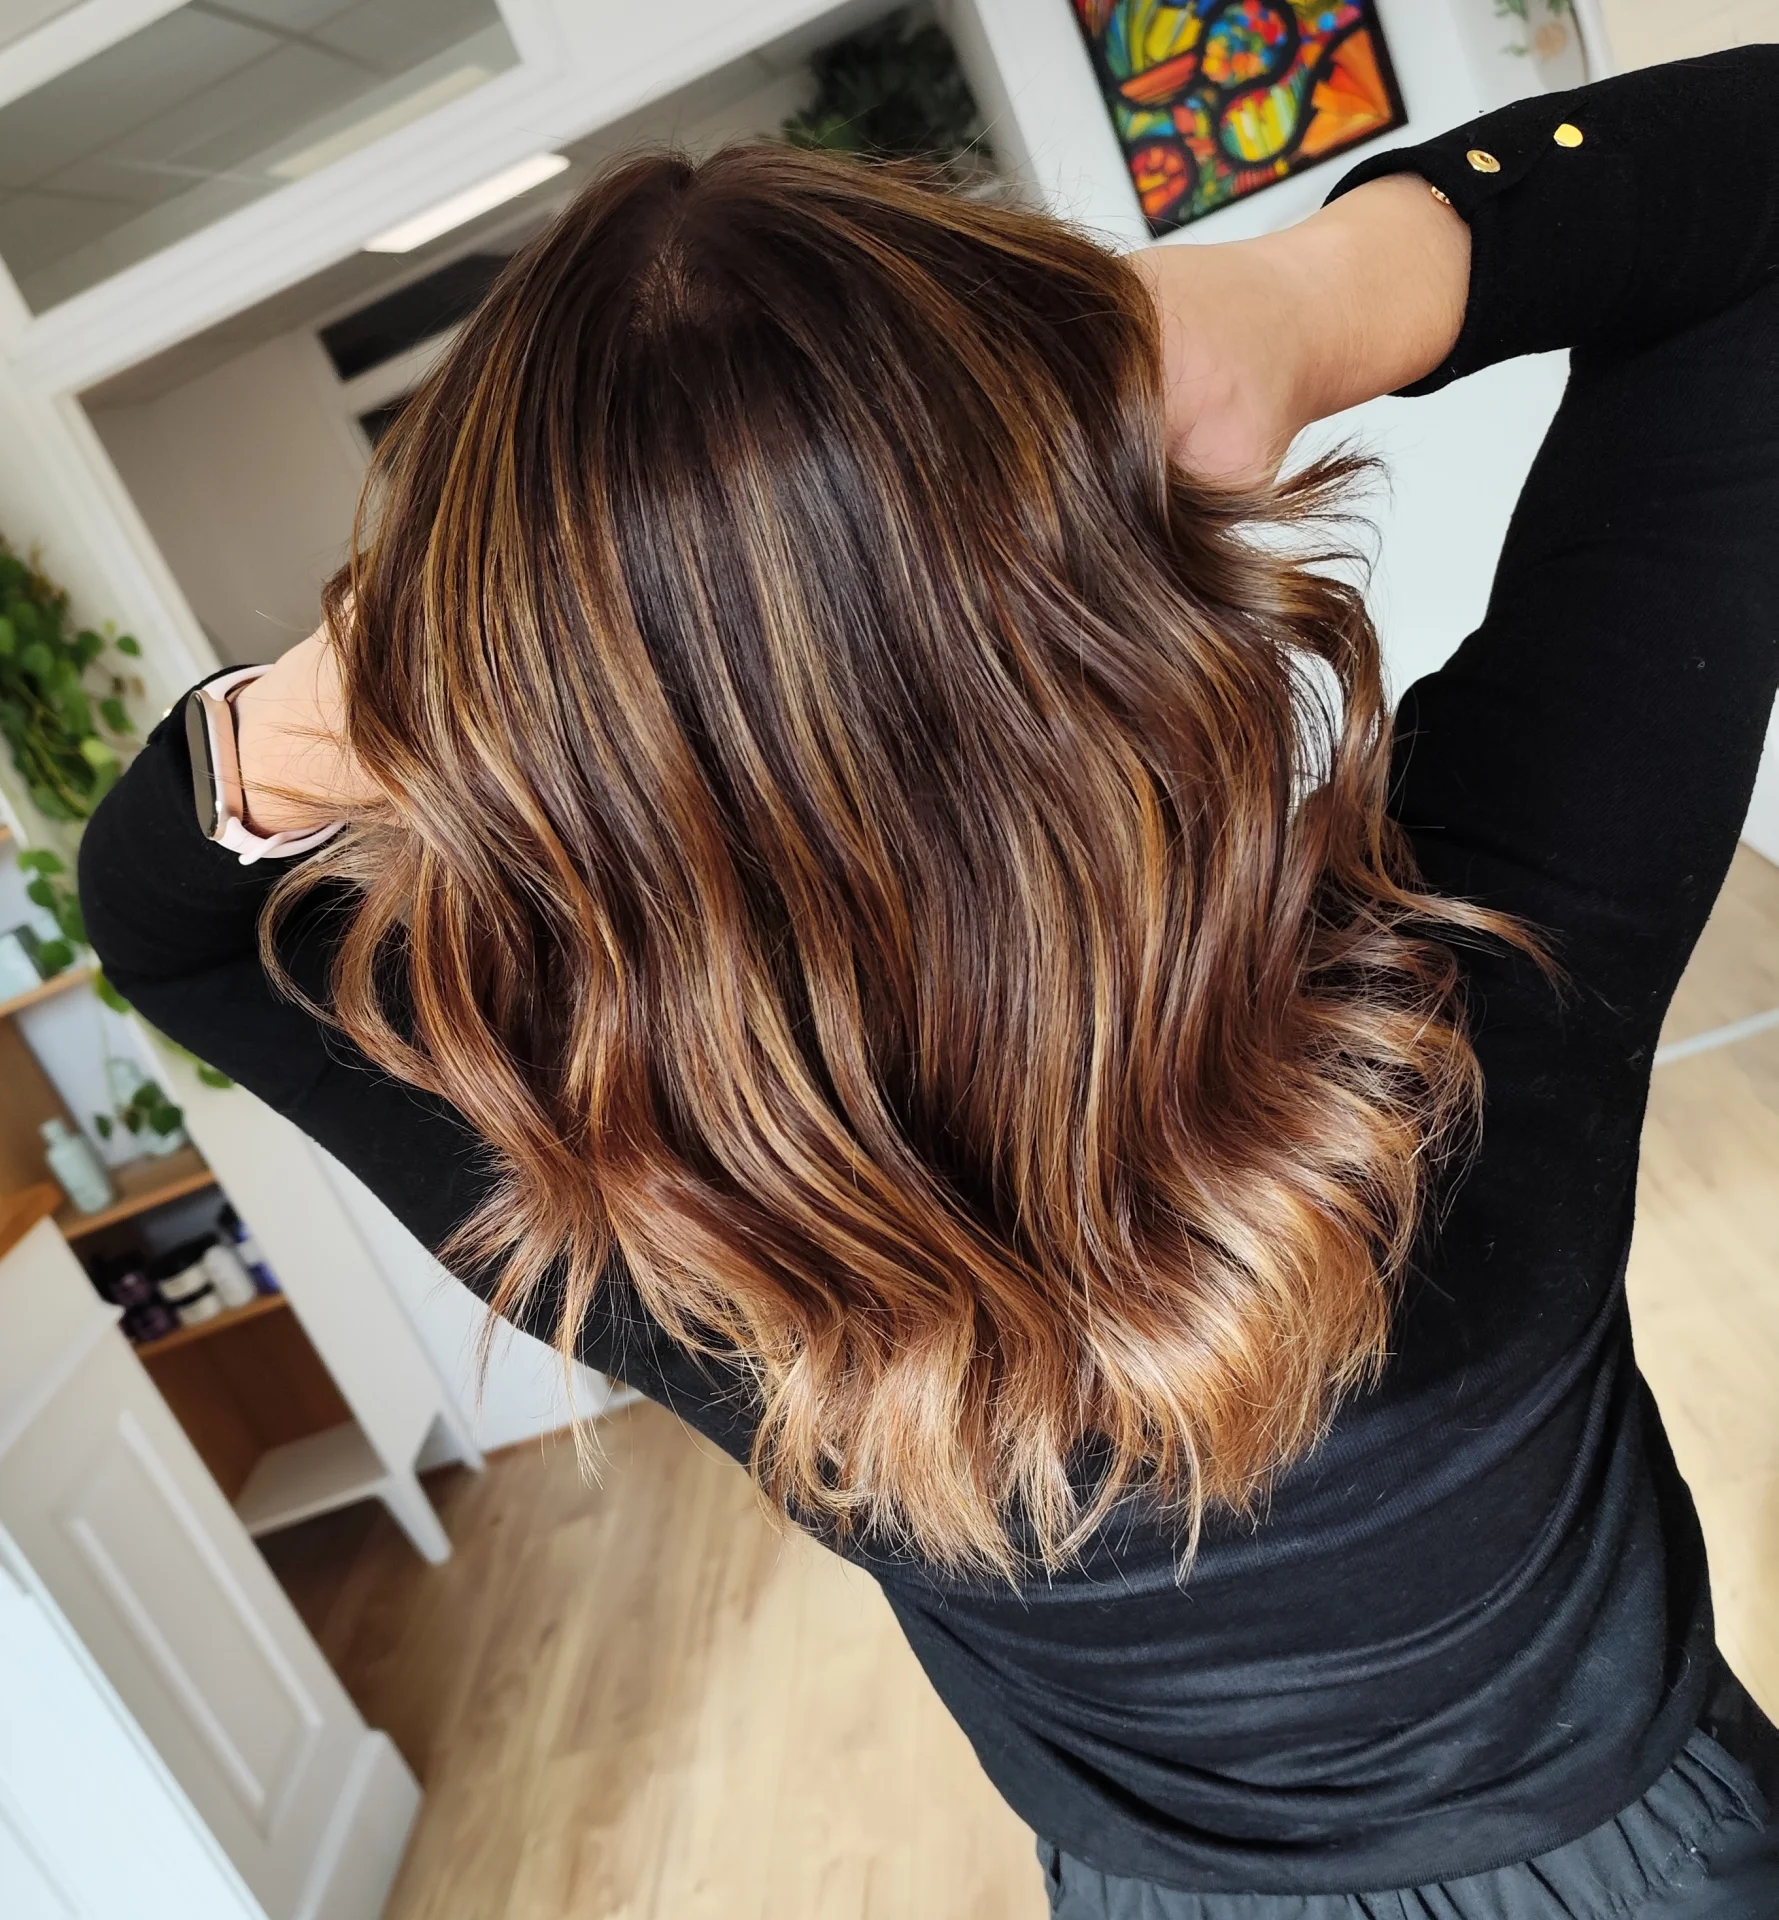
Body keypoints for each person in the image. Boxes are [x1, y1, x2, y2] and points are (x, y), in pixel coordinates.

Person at [80, 47, 1779, 1919]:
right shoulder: (1477, 985)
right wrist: (1288, 303)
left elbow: (164, 924)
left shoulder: (693, 1267)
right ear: (1088, 552)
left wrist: (383, 673)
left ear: (552, 779)